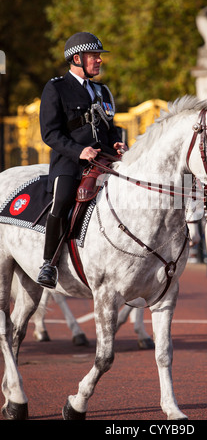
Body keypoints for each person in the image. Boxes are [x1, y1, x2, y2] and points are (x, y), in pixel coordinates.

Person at [37, 32, 127, 289]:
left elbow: (109, 128)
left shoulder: (103, 90)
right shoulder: (56, 88)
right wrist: (79, 151)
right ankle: (49, 264)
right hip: (70, 163)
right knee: (63, 200)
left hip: (104, 161)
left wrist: (116, 144)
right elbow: (50, 133)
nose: (99, 60)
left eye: (99, 56)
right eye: (94, 56)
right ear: (77, 58)